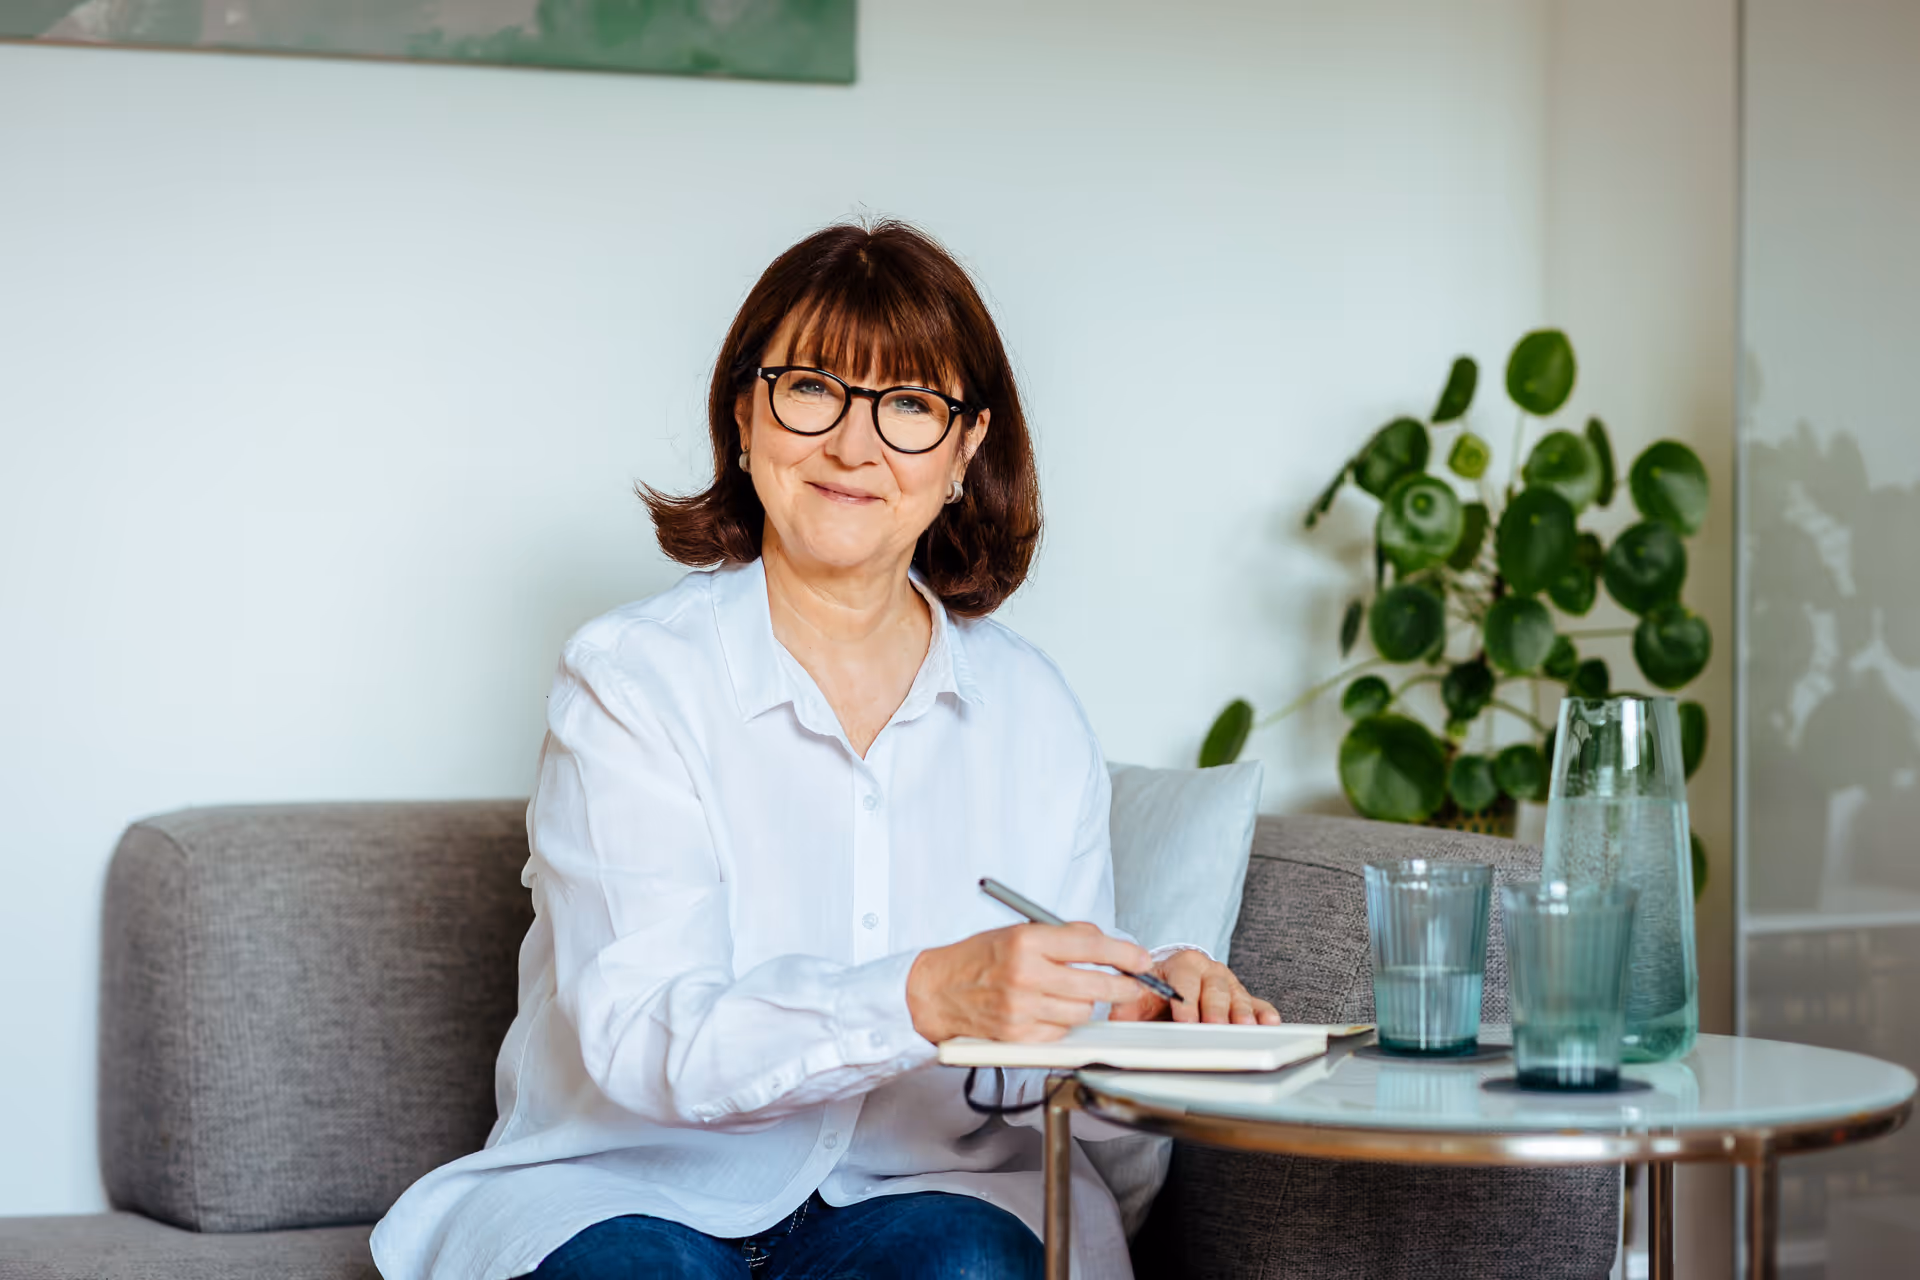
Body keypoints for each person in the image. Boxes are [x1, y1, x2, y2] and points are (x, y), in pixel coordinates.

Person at [370, 220, 1279, 1280]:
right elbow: (642, 1035)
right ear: (746, 413)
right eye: (812, 389)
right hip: (632, 1186)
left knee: (969, 1263)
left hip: (922, 1195)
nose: (854, 446)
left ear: (966, 448)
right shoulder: (628, 681)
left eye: (909, 405)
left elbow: (1042, 1078)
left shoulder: (1033, 711)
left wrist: (1146, 1018)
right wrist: (922, 995)